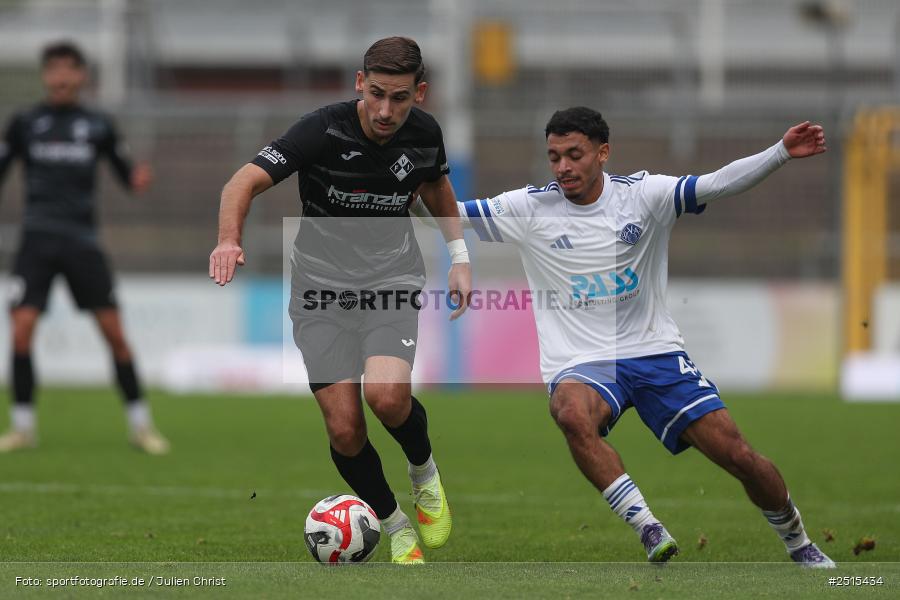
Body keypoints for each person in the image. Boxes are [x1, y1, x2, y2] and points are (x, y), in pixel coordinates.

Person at [412, 107, 835, 567]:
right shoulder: (529, 207)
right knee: (571, 414)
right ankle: (648, 527)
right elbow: (444, 213)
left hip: (653, 351)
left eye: (574, 154)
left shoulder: (644, 195)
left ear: (603, 152)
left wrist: (780, 153)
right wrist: (403, 188)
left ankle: (798, 539)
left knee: (738, 456)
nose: (563, 167)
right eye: (554, 157)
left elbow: (716, 182)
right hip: (581, 361)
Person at [209, 37, 471, 564]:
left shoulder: (425, 134)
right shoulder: (321, 130)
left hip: (390, 281)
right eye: (376, 94)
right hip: (319, 292)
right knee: (346, 427)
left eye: (399, 98)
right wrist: (228, 239)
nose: (385, 110)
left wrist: (459, 255)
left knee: (388, 399)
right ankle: (394, 524)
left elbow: (436, 186)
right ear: (359, 83)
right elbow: (243, 181)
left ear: (419, 93)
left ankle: (424, 471)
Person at [0, 41, 168, 454]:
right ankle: (22, 427)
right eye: (53, 69)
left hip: (82, 242)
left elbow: (127, 175)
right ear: (44, 75)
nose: (60, 77)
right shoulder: (24, 123)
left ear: (81, 76)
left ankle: (141, 425)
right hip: (36, 240)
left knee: (114, 335)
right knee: (20, 331)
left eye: (68, 69)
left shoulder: (97, 125)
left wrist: (138, 180)